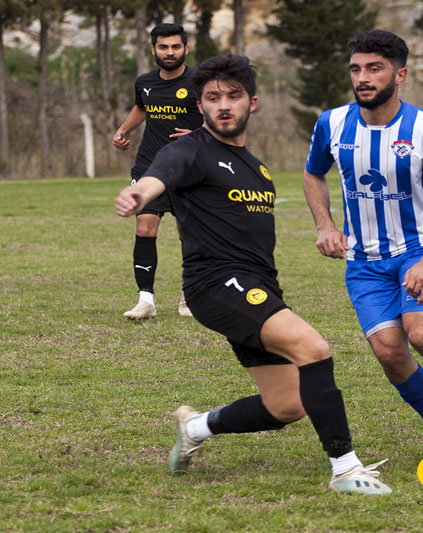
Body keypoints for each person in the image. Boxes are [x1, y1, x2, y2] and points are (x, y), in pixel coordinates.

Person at [116, 54, 391, 495]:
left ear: (253, 102)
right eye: (212, 98)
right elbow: (159, 176)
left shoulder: (258, 170)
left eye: (233, 96)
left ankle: (196, 427)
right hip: (215, 285)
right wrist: (139, 192)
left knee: (287, 406)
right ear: (200, 107)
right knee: (314, 348)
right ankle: (345, 468)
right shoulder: (189, 149)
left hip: (257, 286)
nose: (223, 105)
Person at [302, 30, 423, 459]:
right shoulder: (331, 123)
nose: (363, 78)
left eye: (374, 68)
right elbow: (313, 173)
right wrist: (324, 225)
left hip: (419, 251)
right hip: (365, 262)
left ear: (400, 74)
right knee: (390, 351)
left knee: (422, 333)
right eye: (356, 69)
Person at [113, 23, 204, 320]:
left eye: (175, 47)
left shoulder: (200, 82)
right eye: (163, 47)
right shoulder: (144, 82)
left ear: (185, 49)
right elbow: (142, 107)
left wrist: (196, 133)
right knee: (144, 227)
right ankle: (146, 301)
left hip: (188, 168)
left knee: (187, 234)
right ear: (153, 49)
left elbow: (219, 119)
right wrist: (124, 129)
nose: (169, 52)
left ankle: (190, 295)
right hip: (149, 167)